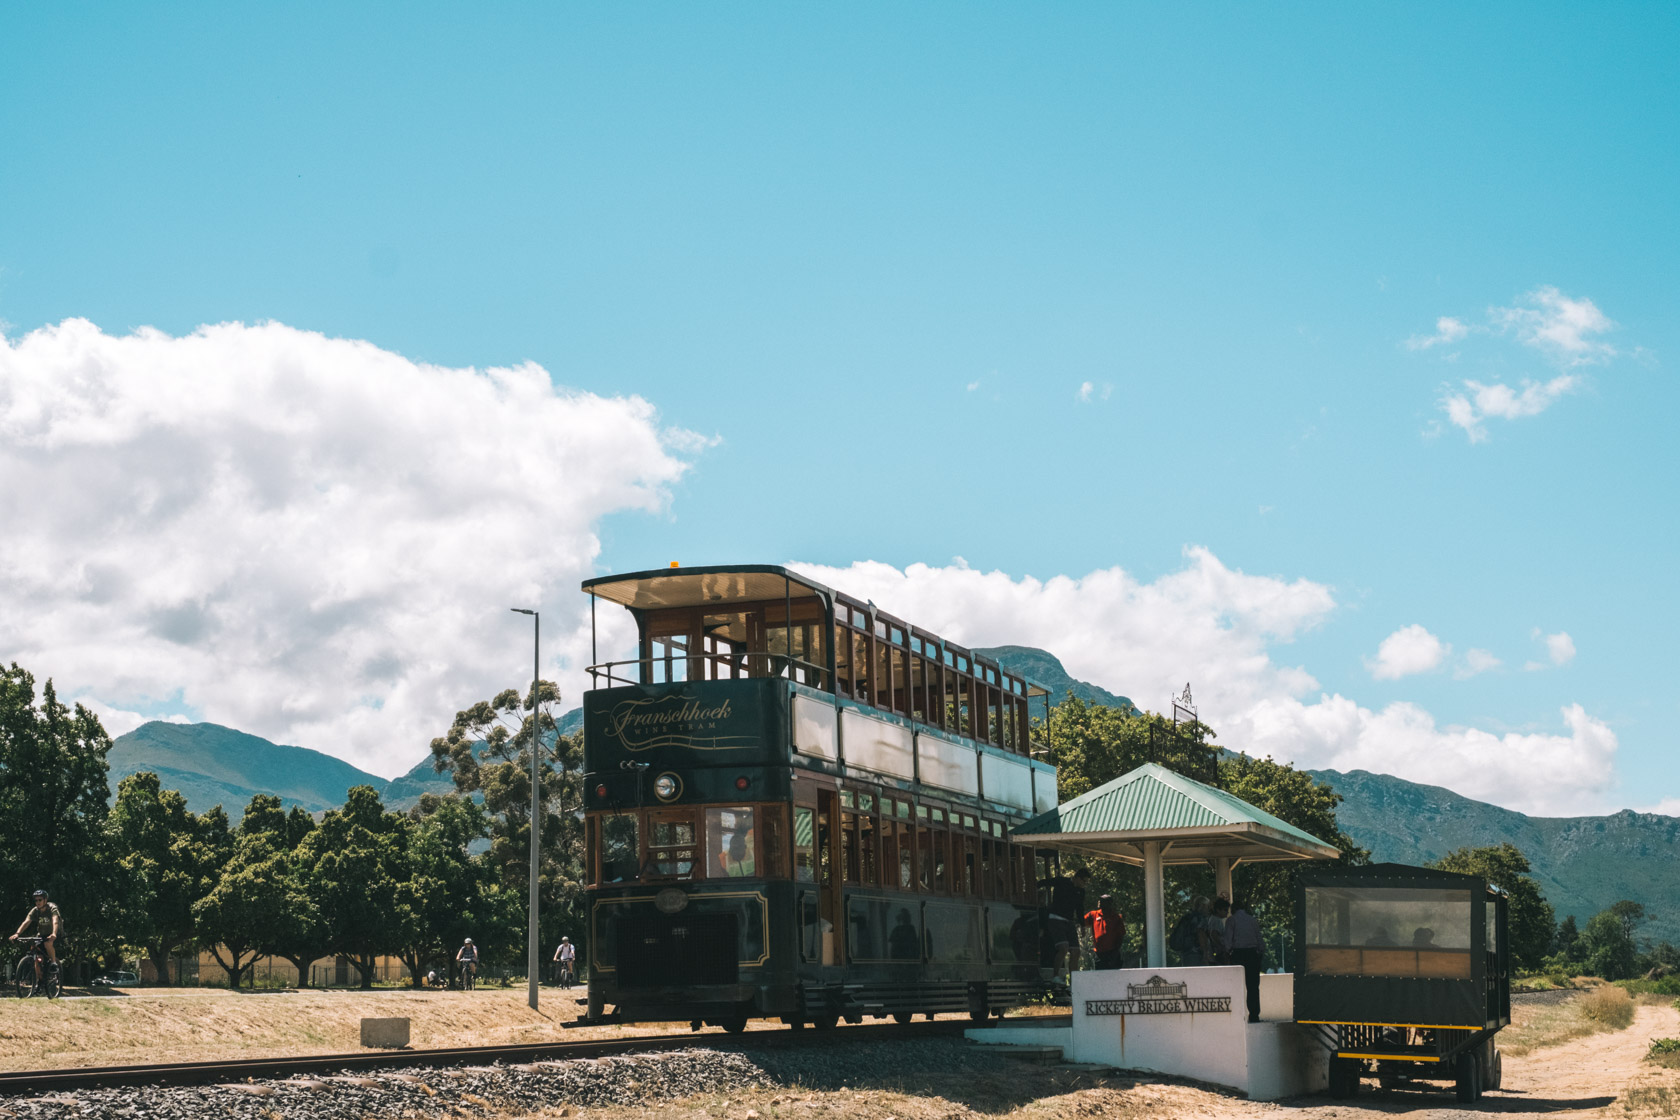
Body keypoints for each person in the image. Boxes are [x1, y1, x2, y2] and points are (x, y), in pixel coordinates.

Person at [1041, 868, 1091, 975]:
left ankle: (1074, 982)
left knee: (1076, 951)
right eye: (1084, 881)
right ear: (1077, 878)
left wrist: (1083, 925)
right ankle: (1055, 976)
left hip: (1069, 921)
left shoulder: (1081, 892)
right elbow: (1044, 882)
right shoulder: (1062, 881)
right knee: (1063, 948)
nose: (1084, 884)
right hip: (1056, 919)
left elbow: (1079, 909)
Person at [1224, 898, 1264, 1023]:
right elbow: (1260, 940)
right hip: (1252, 954)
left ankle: (1237, 1014)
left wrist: (1227, 952)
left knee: (1237, 985)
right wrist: (1259, 954)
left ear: (1233, 909)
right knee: (1253, 986)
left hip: (1238, 954)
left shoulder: (1231, 920)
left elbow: (1228, 941)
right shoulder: (1252, 920)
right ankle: (1254, 1015)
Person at [10, 890, 61, 982]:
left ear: (45, 900)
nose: (38, 902)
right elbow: (26, 922)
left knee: (47, 944)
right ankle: (39, 980)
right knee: (35, 952)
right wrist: (17, 933)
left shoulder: (52, 908)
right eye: (36, 900)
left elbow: (55, 921)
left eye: (40, 900)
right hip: (42, 934)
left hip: (55, 933)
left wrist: (54, 933)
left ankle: (53, 963)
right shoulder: (35, 911)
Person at [1084, 894, 1126, 970]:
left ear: (1109, 904)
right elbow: (1082, 921)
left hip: (1112, 953)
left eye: (1103, 901)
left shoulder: (1116, 917)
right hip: (1099, 953)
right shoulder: (1093, 914)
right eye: (1100, 900)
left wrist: (1115, 952)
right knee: (1100, 977)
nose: (1100, 902)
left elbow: (1120, 935)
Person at [1171, 897, 1210, 966]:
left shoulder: (1187, 917)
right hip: (1197, 953)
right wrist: (1205, 953)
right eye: (1208, 906)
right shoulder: (1200, 918)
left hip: (1185, 951)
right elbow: (1200, 934)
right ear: (1203, 905)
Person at [1208, 898, 1231, 965]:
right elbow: (1214, 934)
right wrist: (1221, 947)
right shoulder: (1216, 920)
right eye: (1225, 910)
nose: (1227, 912)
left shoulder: (1213, 919)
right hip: (1218, 952)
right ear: (1218, 910)